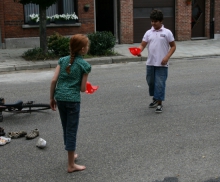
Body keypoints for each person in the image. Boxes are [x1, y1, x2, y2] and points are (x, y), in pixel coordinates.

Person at [50, 34, 91, 172]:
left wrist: (51, 98)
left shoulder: (62, 60)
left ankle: (71, 156)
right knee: (72, 130)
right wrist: (87, 85)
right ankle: (71, 165)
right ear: (83, 49)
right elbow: (83, 89)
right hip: (72, 100)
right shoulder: (84, 65)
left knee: (65, 128)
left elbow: (53, 80)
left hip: (60, 98)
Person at [138, 9, 176, 113]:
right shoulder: (148, 32)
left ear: (161, 21)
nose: (153, 23)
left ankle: (159, 104)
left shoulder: (167, 32)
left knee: (160, 83)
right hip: (150, 63)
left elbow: (173, 46)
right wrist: (139, 50)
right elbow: (143, 44)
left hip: (162, 64)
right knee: (151, 82)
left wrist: (166, 57)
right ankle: (155, 98)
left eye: (155, 21)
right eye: (152, 21)